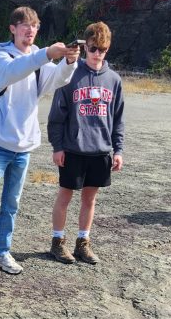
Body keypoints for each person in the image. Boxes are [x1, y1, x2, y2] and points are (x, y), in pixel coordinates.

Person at [0, 7, 80, 275]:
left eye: (34, 26)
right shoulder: (2, 56)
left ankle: (2, 252)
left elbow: (56, 82)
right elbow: (14, 72)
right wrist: (46, 53)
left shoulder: (40, 62)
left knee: (11, 205)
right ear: (12, 28)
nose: (30, 30)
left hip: (24, 146)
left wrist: (68, 62)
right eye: (24, 25)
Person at [45, 22, 125, 264]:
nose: (96, 54)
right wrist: (57, 146)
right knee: (65, 195)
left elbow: (118, 118)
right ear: (85, 46)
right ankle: (58, 242)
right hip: (73, 149)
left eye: (101, 49)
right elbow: (56, 116)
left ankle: (83, 243)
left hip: (100, 150)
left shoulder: (114, 80)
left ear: (107, 49)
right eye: (92, 49)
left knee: (90, 198)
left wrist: (118, 149)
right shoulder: (70, 75)